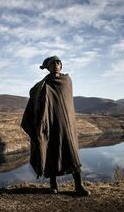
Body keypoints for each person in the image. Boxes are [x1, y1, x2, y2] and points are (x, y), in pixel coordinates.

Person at [21, 55, 91, 196]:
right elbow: (33, 93)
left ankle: (78, 186)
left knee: (72, 153)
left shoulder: (67, 81)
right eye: (53, 63)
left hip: (68, 124)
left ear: (61, 65)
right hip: (51, 123)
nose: (56, 65)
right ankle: (53, 185)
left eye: (58, 62)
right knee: (52, 151)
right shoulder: (43, 84)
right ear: (48, 67)